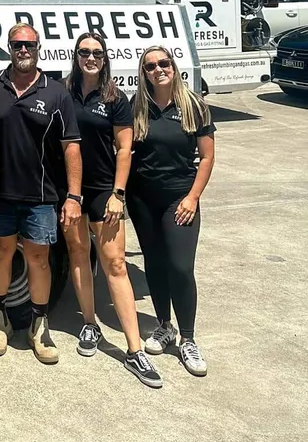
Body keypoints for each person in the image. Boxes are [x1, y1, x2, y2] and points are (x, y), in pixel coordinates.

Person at [61, 31, 162, 387]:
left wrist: (118, 194)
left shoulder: (115, 98)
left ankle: (134, 350)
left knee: (115, 265)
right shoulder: (63, 92)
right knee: (78, 255)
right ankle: (90, 324)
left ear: (105, 59)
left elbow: (124, 149)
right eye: (84, 52)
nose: (90, 58)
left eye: (97, 53)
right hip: (70, 191)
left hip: (104, 192)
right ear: (76, 56)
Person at [0, 22, 82, 365]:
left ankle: (40, 326)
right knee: (1, 254)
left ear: (39, 48)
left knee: (39, 259)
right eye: (17, 45)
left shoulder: (55, 93)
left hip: (41, 196)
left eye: (29, 45)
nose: (23, 50)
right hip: (1, 193)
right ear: (8, 48)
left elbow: (71, 146)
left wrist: (74, 196)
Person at [127, 44, 216, 377]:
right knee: (154, 262)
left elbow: (207, 157)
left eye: (163, 63)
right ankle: (165, 325)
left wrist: (192, 197)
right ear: (144, 73)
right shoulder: (138, 106)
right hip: (142, 199)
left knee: (180, 266)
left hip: (179, 199)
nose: (158, 70)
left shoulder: (193, 105)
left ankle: (188, 339)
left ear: (173, 66)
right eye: (150, 66)